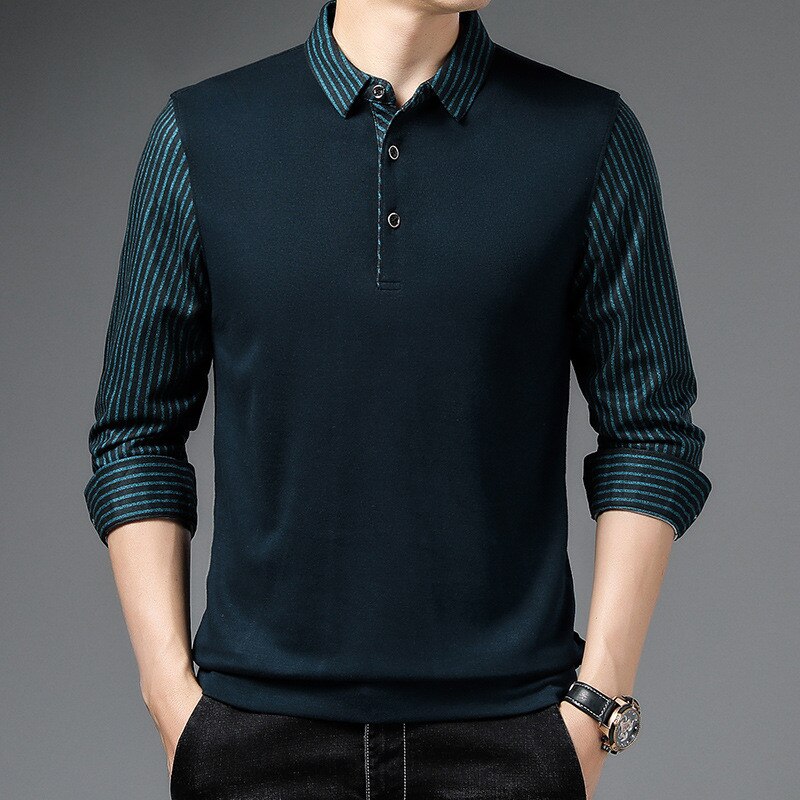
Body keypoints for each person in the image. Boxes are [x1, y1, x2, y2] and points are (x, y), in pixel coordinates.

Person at [82, 1, 712, 798]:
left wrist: (597, 705)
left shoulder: (589, 137)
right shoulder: (201, 135)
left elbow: (651, 430)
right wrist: (169, 697)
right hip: (254, 742)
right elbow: (137, 430)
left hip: (510, 741)